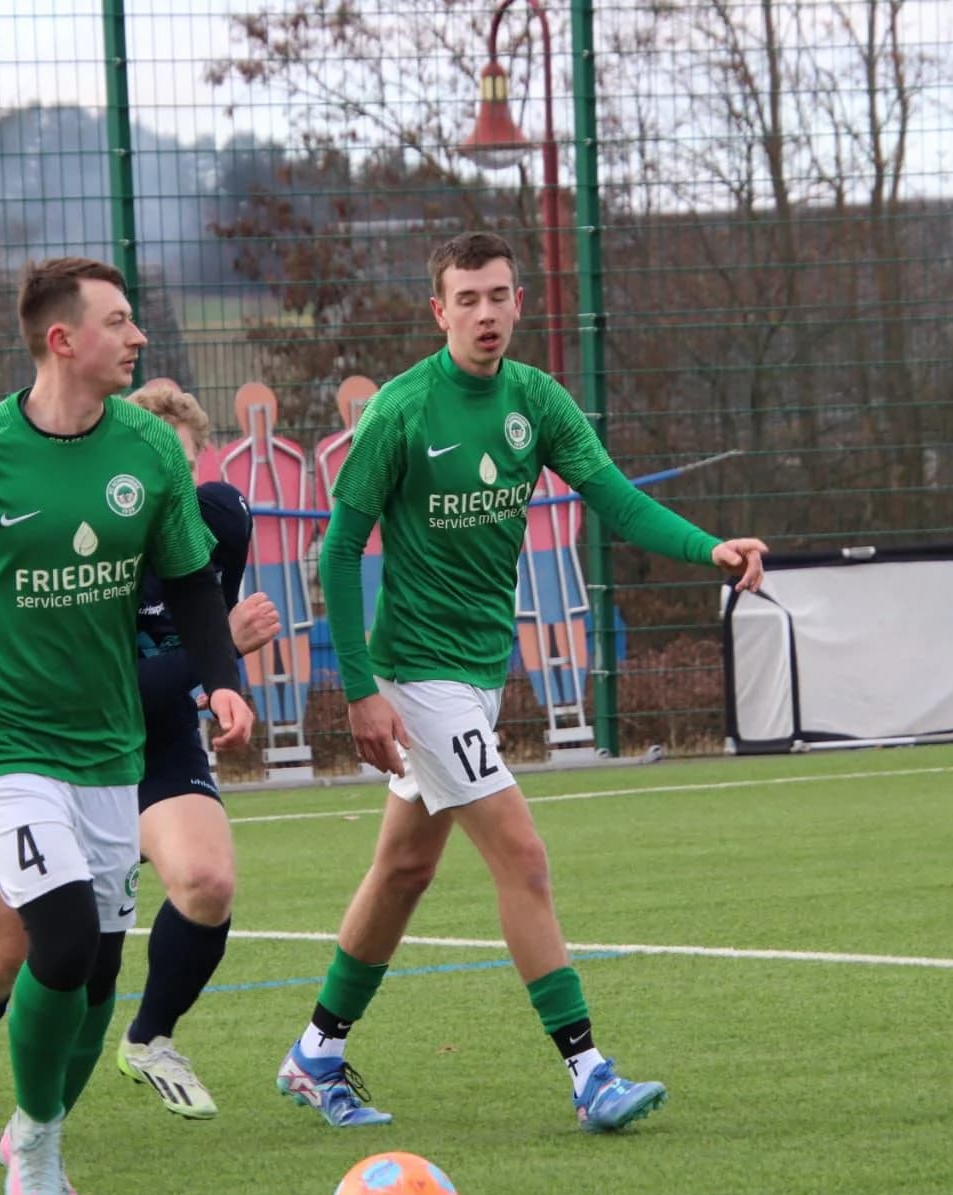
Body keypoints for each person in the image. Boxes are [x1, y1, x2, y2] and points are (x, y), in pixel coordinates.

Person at [275, 231, 767, 1134]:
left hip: (475, 669)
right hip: (416, 673)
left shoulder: (536, 400)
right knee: (523, 857)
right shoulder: (402, 411)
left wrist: (710, 547)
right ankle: (589, 1071)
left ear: (518, 302)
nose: (486, 314)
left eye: (499, 295)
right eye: (467, 299)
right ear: (439, 311)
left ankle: (316, 1052)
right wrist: (359, 690)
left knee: (403, 869)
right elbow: (341, 550)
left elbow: (611, 499)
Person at [0, 257, 254, 1195]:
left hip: (107, 746)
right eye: (118, 323)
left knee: (97, 972)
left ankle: (37, 1128)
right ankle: (32, 1143)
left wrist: (222, 681)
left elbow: (195, 583)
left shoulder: (149, 453)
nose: (138, 339)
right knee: (66, 937)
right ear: (61, 340)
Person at [0, 381, 279, 1149]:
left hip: (156, 742)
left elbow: (193, 639)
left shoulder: (219, 520)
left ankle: (149, 1036)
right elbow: (127, 676)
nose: (168, 494)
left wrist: (220, 676)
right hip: (62, 743)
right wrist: (218, 650)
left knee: (207, 881)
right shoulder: (87, 539)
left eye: (182, 470)